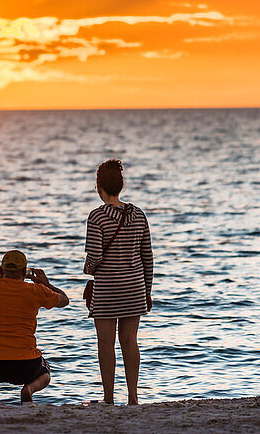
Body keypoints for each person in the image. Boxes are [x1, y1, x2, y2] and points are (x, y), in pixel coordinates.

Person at [83, 159, 154, 405]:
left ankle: (108, 398)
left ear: (99, 187)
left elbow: (95, 257)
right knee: (129, 341)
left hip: (108, 289)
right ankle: (133, 396)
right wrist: (148, 290)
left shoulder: (97, 217)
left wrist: (87, 269)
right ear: (121, 186)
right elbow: (147, 257)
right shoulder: (138, 214)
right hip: (135, 287)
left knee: (106, 343)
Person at [0, 250, 69, 404]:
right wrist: (46, 284)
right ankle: (29, 389)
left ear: (1, 270)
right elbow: (64, 300)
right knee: (46, 371)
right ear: (24, 272)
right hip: (25, 367)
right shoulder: (37, 290)